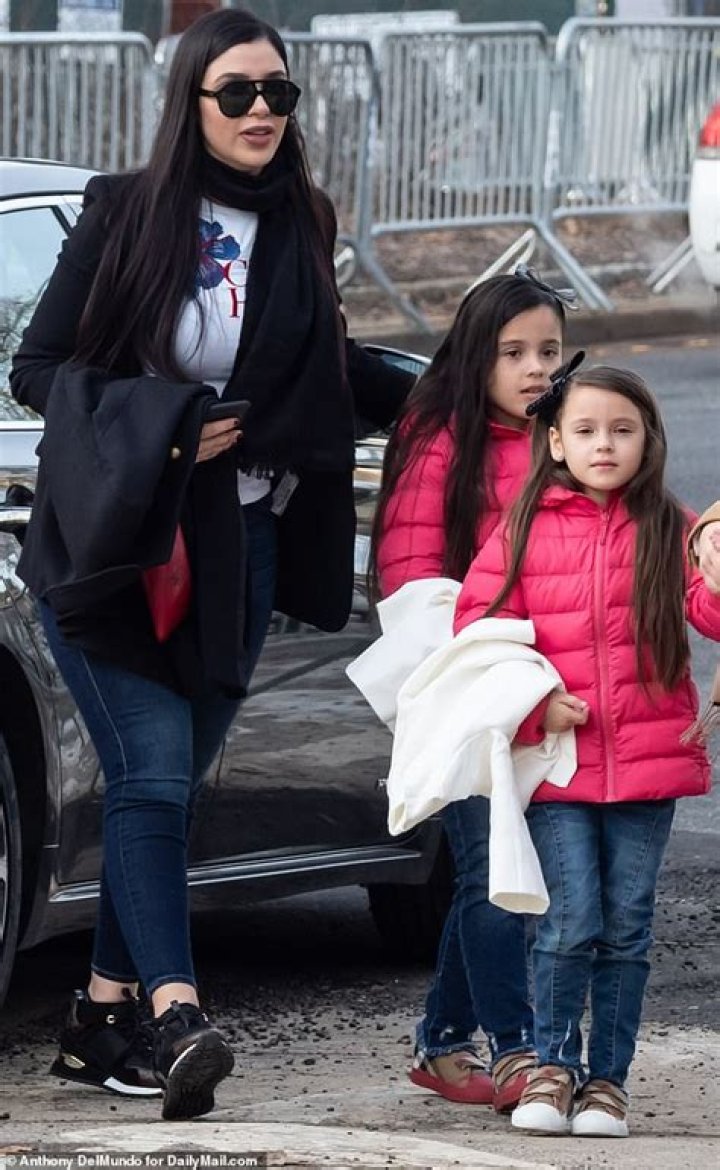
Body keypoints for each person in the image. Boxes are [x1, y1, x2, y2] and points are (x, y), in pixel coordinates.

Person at [9, 8, 413, 1121]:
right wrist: (171, 422)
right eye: (236, 92)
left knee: (171, 792)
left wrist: (461, 390)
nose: (260, 113)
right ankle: (179, 1011)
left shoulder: (302, 223)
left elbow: (322, 372)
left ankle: (98, 1017)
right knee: (146, 775)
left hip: (238, 551)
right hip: (115, 550)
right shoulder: (129, 213)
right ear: (191, 101)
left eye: (277, 93)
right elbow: (37, 370)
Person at [454, 365, 720, 1137]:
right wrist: (536, 707)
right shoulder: (524, 524)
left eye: (623, 430)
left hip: (649, 766)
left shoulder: (672, 527)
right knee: (570, 920)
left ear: (649, 440)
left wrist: (713, 563)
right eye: (587, 430)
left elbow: (707, 619)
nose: (605, 443)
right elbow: (479, 629)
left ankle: (608, 1084)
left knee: (627, 927)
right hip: (560, 766)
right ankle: (551, 1067)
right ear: (556, 442)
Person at [371, 268, 574, 1111]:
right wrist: (479, 682)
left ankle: (442, 1039)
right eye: (514, 352)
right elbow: (410, 579)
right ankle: (519, 1048)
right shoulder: (436, 440)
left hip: (553, 690)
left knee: (508, 870)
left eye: (550, 351)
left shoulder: (565, 432)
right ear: (474, 357)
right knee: (495, 867)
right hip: (463, 687)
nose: (535, 369)